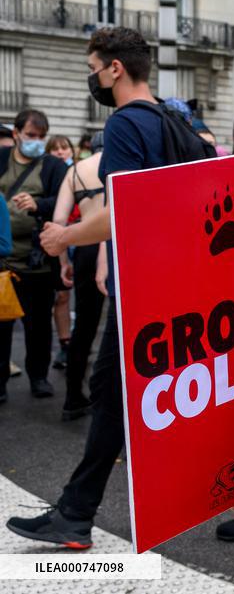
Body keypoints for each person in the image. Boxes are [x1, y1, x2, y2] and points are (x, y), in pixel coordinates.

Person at [6, 27, 166, 549]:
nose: (91, 78)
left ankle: (77, 514)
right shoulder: (174, 120)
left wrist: (64, 236)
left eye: (92, 67)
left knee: (113, 392)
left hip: (137, 284)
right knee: (115, 393)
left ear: (114, 68)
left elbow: (122, 212)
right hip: (166, 281)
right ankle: (78, 510)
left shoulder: (123, 124)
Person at [0, 109, 68, 403]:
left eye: (41, 137)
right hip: (4, 263)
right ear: (16, 134)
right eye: (30, 136)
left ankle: (38, 377)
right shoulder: (2, 159)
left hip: (37, 262)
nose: (36, 142)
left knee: (38, 326)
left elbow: (65, 201)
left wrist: (39, 205)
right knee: (1, 327)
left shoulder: (53, 166)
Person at [51, 130, 106, 421]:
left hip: (83, 246)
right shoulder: (121, 163)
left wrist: (63, 262)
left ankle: (73, 396)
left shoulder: (75, 171)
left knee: (84, 326)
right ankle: (114, 397)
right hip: (114, 245)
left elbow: (59, 223)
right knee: (121, 327)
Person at [46, 135, 75, 371]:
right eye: (54, 149)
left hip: (81, 240)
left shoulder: (80, 173)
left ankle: (73, 346)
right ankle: (65, 345)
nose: (60, 152)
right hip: (57, 240)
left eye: (64, 148)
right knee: (62, 296)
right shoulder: (47, 174)